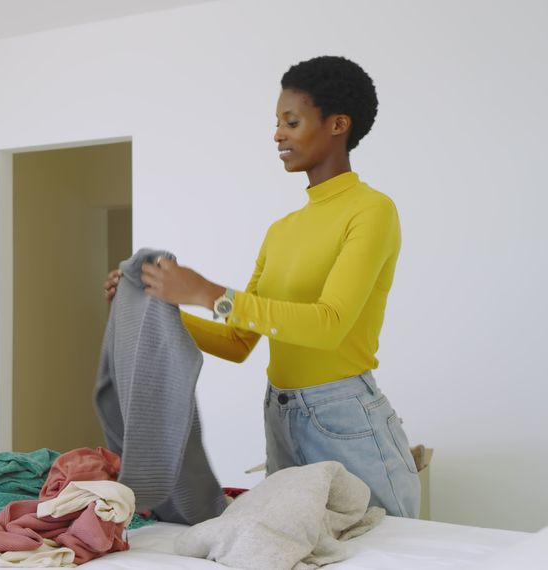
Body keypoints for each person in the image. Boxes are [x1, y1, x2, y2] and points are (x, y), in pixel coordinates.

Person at [104, 56, 420, 517]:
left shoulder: (371, 210)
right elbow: (238, 341)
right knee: (297, 550)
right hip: (279, 413)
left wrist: (206, 292)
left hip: (344, 416)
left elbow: (328, 325)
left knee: (386, 550)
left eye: (291, 122)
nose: (277, 134)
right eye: (277, 123)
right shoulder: (281, 230)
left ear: (338, 124)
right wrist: (159, 306)